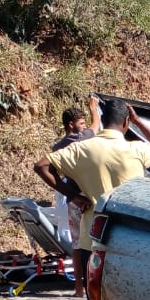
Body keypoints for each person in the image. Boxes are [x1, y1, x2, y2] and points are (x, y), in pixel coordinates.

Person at [33, 97, 150, 300]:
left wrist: (73, 195)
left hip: (93, 238)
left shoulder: (83, 148)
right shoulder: (134, 149)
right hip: (132, 239)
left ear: (103, 118)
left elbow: (41, 165)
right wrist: (141, 123)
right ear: (126, 122)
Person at [51, 96, 102, 256]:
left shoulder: (58, 147)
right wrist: (93, 108)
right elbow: (95, 125)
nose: (85, 126)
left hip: (72, 199)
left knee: (77, 243)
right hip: (86, 196)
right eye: (81, 124)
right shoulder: (79, 138)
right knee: (94, 239)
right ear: (71, 125)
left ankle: (79, 281)